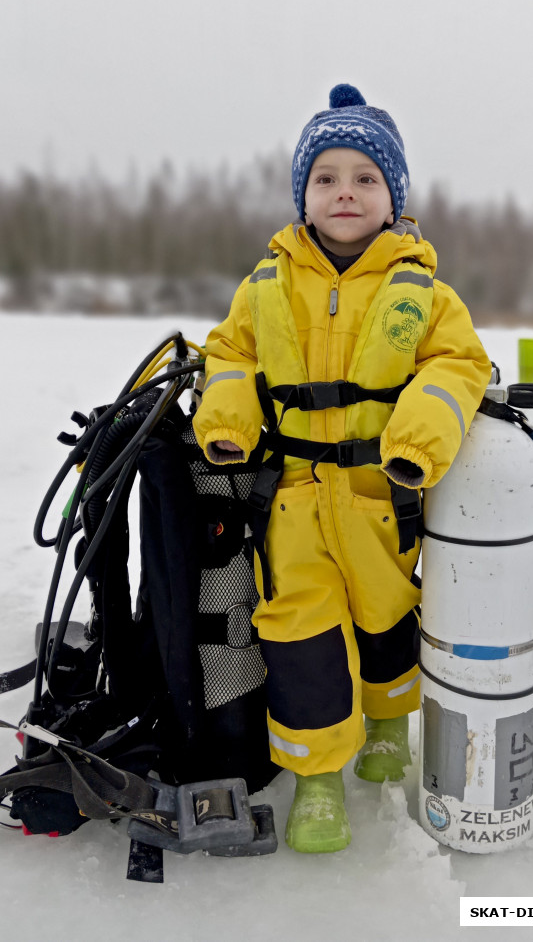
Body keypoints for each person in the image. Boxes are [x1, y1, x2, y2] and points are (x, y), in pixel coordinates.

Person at [193, 84, 491, 854]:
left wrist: (418, 441)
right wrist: (227, 423)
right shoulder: (264, 285)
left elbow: (458, 365)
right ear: (303, 196)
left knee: (387, 619)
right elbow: (229, 354)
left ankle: (387, 720)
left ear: (394, 198)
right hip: (292, 502)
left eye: (365, 178)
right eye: (325, 178)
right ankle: (319, 778)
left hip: (382, 496)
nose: (345, 193)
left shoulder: (424, 291)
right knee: (301, 639)